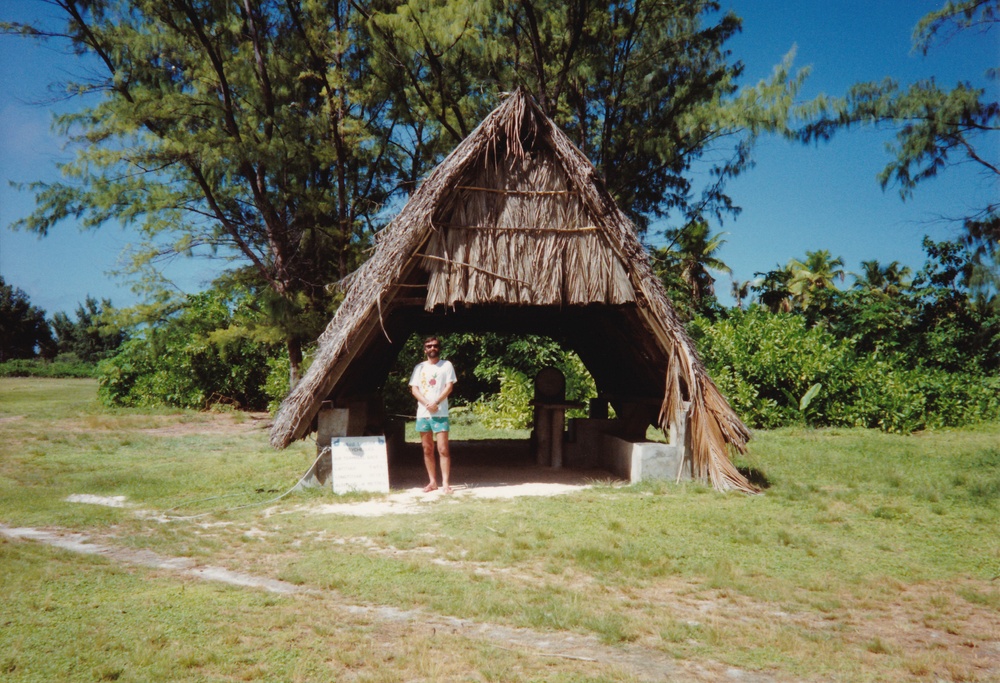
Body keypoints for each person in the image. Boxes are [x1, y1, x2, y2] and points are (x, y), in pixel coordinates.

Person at [409, 336, 457, 493]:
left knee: (443, 449)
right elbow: (414, 389)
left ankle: (445, 483)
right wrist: (426, 403)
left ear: (439, 348)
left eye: (435, 346)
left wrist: (436, 402)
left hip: (440, 413)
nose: (432, 348)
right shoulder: (419, 368)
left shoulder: (446, 365)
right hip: (423, 414)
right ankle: (432, 482)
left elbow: (449, 387)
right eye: (429, 346)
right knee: (427, 448)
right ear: (425, 349)